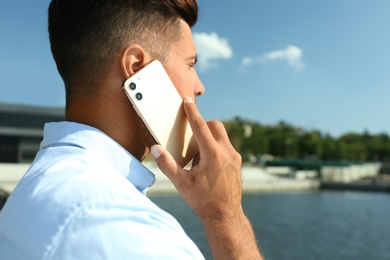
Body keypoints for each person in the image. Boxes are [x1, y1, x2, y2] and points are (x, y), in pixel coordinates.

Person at [0, 0, 262, 259]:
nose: (200, 87)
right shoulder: (123, 228)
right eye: (190, 64)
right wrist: (225, 215)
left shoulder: (44, 184)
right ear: (137, 67)